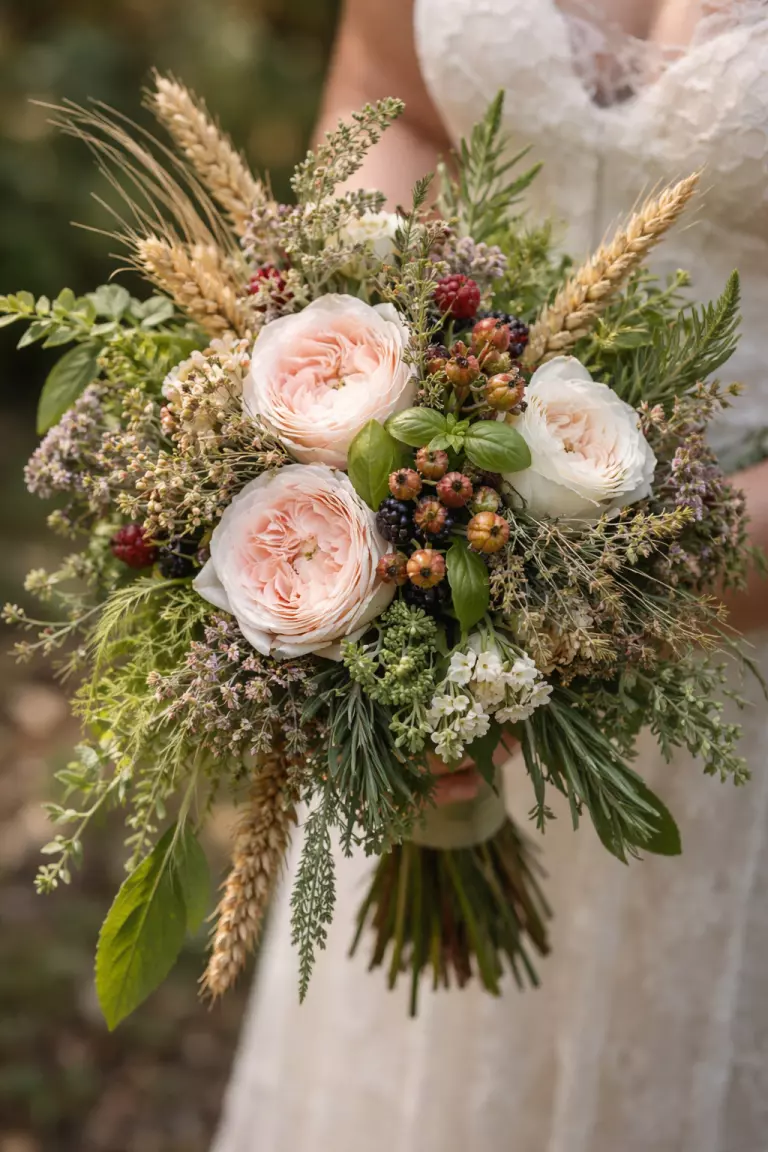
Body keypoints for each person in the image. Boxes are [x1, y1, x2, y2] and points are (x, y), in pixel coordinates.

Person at [212, 3, 768, 1149]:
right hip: (435, 548)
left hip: (731, 664)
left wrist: (593, 595)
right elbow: (392, 103)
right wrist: (360, 386)